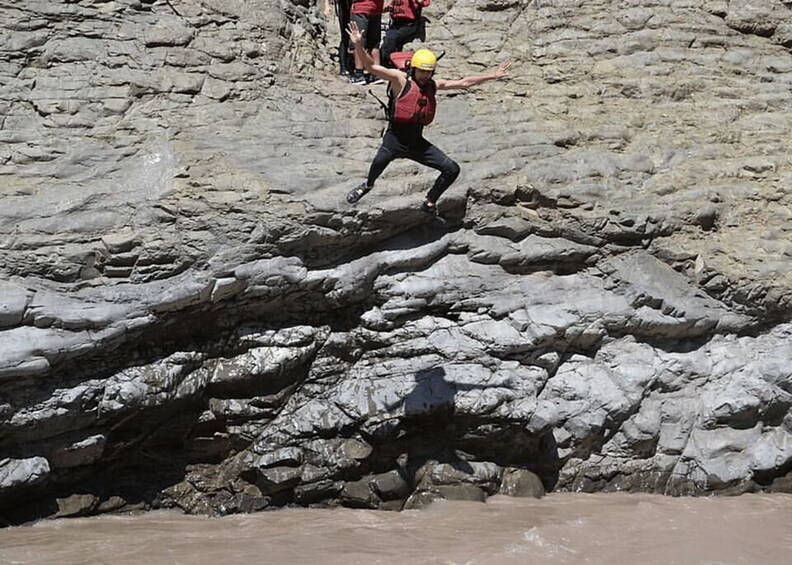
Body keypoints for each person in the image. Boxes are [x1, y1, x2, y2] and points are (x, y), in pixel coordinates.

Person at [345, 20, 511, 221]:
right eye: (421, 71)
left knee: (452, 169)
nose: (424, 75)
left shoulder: (433, 85)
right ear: (413, 69)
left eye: (428, 72)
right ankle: (367, 186)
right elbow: (372, 67)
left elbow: (464, 83)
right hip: (394, 140)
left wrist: (493, 75)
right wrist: (357, 45)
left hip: (417, 143)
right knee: (378, 165)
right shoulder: (400, 80)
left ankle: (430, 202)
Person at [381, 0, 430, 68]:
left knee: (391, 38)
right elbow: (386, 6)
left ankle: (386, 66)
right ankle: (385, 64)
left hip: (409, 24)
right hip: (395, 24)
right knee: (387, 40)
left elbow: (425, 2)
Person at [348, 0, 385, 84]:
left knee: (358, 41)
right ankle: (377, 74)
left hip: (361, 7)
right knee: (374, 43)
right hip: (377, 8)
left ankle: (359, 74)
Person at [323, 0, 354, 76]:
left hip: (357, 6)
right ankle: (343, 66)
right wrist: (327, 5)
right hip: (344, 6)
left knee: (356, 37)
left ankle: (352, 65)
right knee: (345, 36)